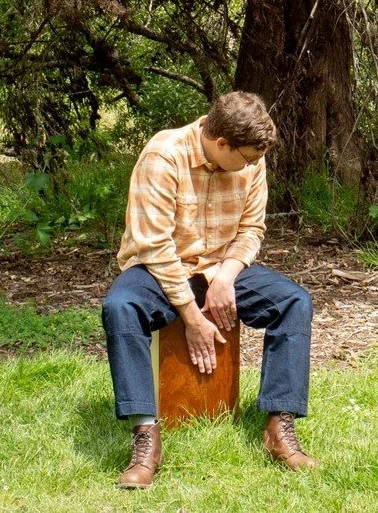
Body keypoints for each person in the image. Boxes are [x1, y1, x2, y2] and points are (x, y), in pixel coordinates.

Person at [100, 91, 319, 488]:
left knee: (294, 302)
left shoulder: (251, 155)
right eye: (248, 158)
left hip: (220, 267)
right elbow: (154, 246)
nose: (253, 164)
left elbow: (252, 229)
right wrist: (191, 316)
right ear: (221, 144)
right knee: (120, 306)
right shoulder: (163, 155)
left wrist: (225, 277)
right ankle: (146, 435)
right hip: (161, 268)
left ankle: (278, 426)